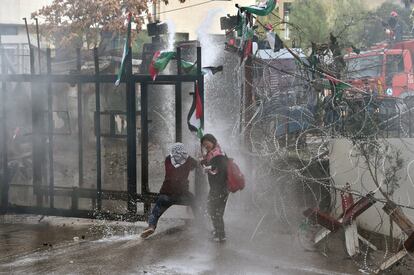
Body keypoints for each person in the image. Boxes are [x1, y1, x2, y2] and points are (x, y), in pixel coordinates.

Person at [140, 143, 198, 238]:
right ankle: (201, 223)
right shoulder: (188, 160)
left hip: (166, 193)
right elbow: (195, 165)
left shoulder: (168, 159)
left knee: (156, 210)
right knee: (195, 202)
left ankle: (151, 226)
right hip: (182, 194)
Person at [200, 134, 229, 242]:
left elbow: (221, 167)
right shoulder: (212, 153)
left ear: (212, 141)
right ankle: (218, 231)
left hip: (220, 187)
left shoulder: (218, 153)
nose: (205, 146)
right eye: (204, 145)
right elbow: (212, 163)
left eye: (207, 144)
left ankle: (220, 235)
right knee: (215, 210)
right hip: (218, 187)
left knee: (215, 210)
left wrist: (210, 167)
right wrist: (204, 163)